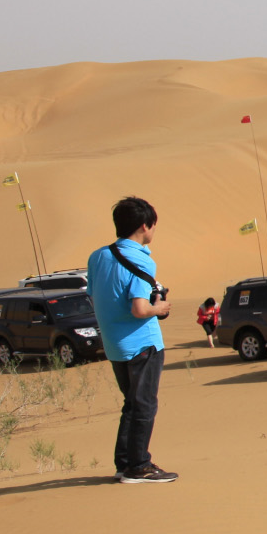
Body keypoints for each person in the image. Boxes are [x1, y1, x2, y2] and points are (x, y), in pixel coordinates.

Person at [87, 196, 176, 484]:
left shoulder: (98, 257)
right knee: (144, 405)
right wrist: (159, 308)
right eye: (153, 225)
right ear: (144, 226)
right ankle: (139, 466)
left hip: (115, 345)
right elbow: (139, 309)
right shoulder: (141, 260)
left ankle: (125, 464)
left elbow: (95, 297)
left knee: (132, 404)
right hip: (142, 344)